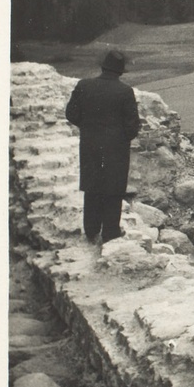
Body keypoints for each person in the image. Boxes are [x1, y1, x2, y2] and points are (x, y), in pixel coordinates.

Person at [64, 50, 141, 244]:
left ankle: (91, 230)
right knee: (113, 189)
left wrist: (89, 128)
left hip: (90, 145)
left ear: (103, 67)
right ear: (120, 71)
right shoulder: (125, 91)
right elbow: (133, 126)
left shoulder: (84, 86)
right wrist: (119, 138)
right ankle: (110, 232)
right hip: (116, 149)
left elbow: (71, 114)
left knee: (92, 186)